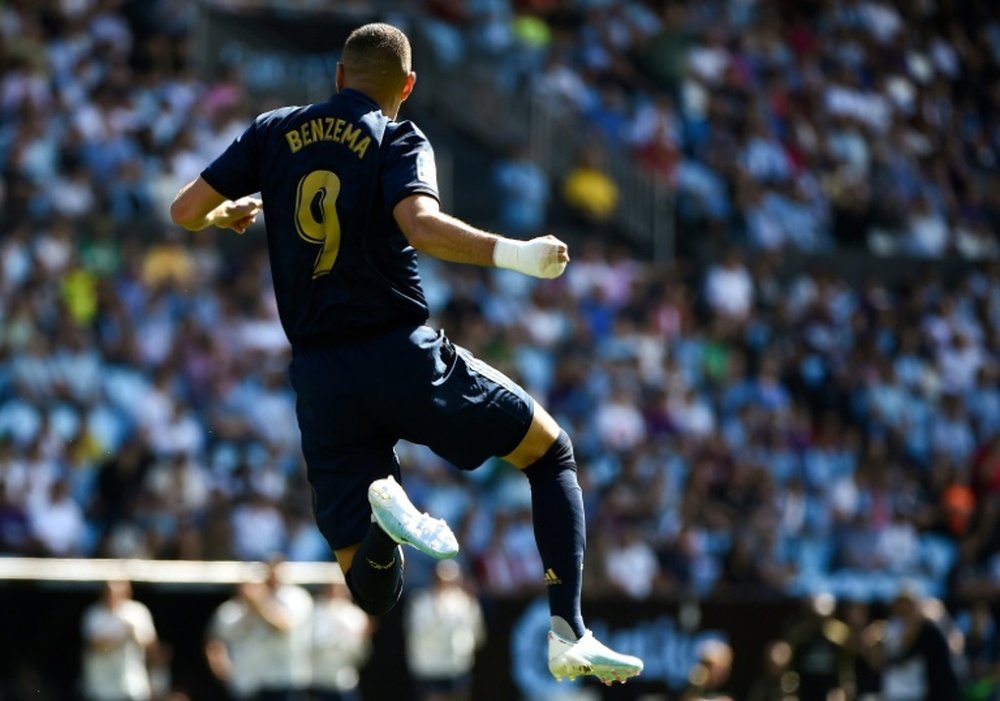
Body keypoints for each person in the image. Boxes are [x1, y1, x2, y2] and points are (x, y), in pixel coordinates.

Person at [170, 22, 642, 685]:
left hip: (320, 376)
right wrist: (516, 254)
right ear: (409, 87)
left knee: (369, 590)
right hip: (400, 350)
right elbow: (420, 226)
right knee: (550, 450)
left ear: (338, 75)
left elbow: (185, 207)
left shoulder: (272, 128)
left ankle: (384, 513)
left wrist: (220, 216)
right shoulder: (397, 134)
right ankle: (569, 629)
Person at [205, 562, 313, 701]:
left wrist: (259, 602)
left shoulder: (291, 598)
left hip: (284, 681)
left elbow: (283, 626)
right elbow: (215, 642)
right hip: (245, 684)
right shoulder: (229, 611)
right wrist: (223, 669)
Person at [405, 560, 485, 701]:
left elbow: (477, 634)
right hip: (430, 670)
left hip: (458, 667)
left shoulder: (466, 603)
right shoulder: (420, 602)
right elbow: (419, 632)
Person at [81, 580, 157, 701]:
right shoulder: (94, 614)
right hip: (101, 688)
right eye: (110, 590)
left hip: (133, 685)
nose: (114, 594)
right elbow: (94, 644)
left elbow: (152, 647)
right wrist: (120, 634)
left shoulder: (138, 612)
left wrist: (135, 635)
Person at [309, 580, 372, 701]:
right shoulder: (316, 611)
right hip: (319, 681)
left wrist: (360, 640)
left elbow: (360, 655)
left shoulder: (355, 615)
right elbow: (316, 643)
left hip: (345, 682)